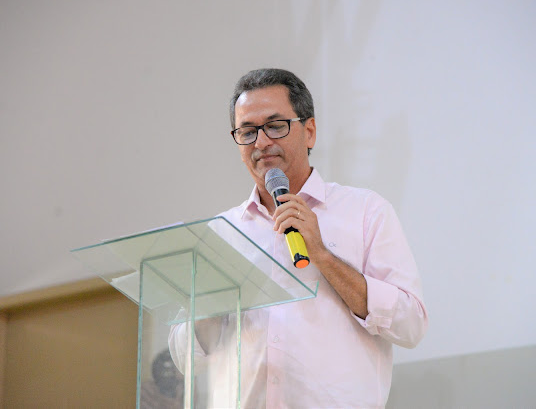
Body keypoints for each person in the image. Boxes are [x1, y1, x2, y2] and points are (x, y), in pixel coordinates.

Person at [169, 68, 428, 408]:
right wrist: (209, 307)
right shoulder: (221, 232)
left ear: (309, 132)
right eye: (247, 132)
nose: (261, 142)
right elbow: (186, 357)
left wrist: (322, 255)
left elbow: (411, 325)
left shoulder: (366, 211)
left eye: (275, 126)